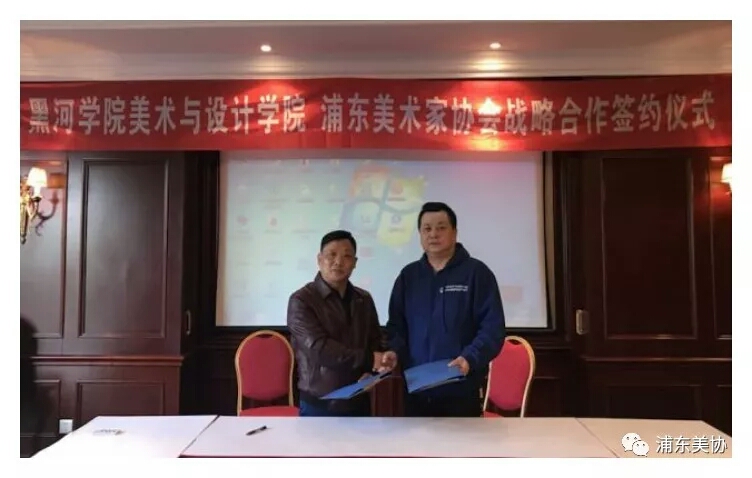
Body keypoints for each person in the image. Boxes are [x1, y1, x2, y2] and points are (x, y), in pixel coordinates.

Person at [383, 201, 506, 417]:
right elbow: (396, 326)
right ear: (420, 234)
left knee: (461, 440)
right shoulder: (408, 276)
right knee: (417, 440)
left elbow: (492, 329)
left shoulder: (477, 273)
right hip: (416, 391)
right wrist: (393, 351)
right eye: (427, 229)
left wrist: (469, 358)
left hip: (461, 389)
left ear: (454, 232)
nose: (433, 234)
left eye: (441, 228)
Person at [287, 230, 389, 417]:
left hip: (359, 398)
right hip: (320, 404)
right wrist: (368, 359)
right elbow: (319, 349)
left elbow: (376, 341)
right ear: (319, 259)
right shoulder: (301, 300)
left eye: (347, 256)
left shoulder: (363, 299)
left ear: (355, 263)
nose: (338, 262)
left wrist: (374, 371)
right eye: (331, 255)